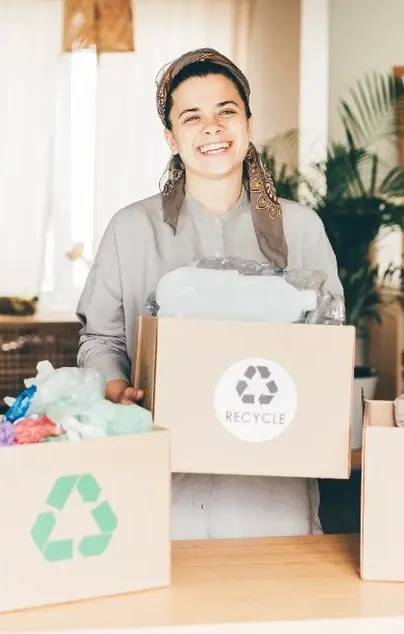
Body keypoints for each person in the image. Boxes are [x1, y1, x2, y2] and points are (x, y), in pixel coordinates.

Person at [75, 48, 342, 539]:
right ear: (171, 138)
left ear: (248, 123)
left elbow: (329, 347)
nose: (212, 127)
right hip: (165, 467)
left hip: (271, 477)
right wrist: (115, 387)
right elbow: (101, 340)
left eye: (226, 111)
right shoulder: (131, 229)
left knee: (269, 602)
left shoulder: (301, 229)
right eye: (192, 117)